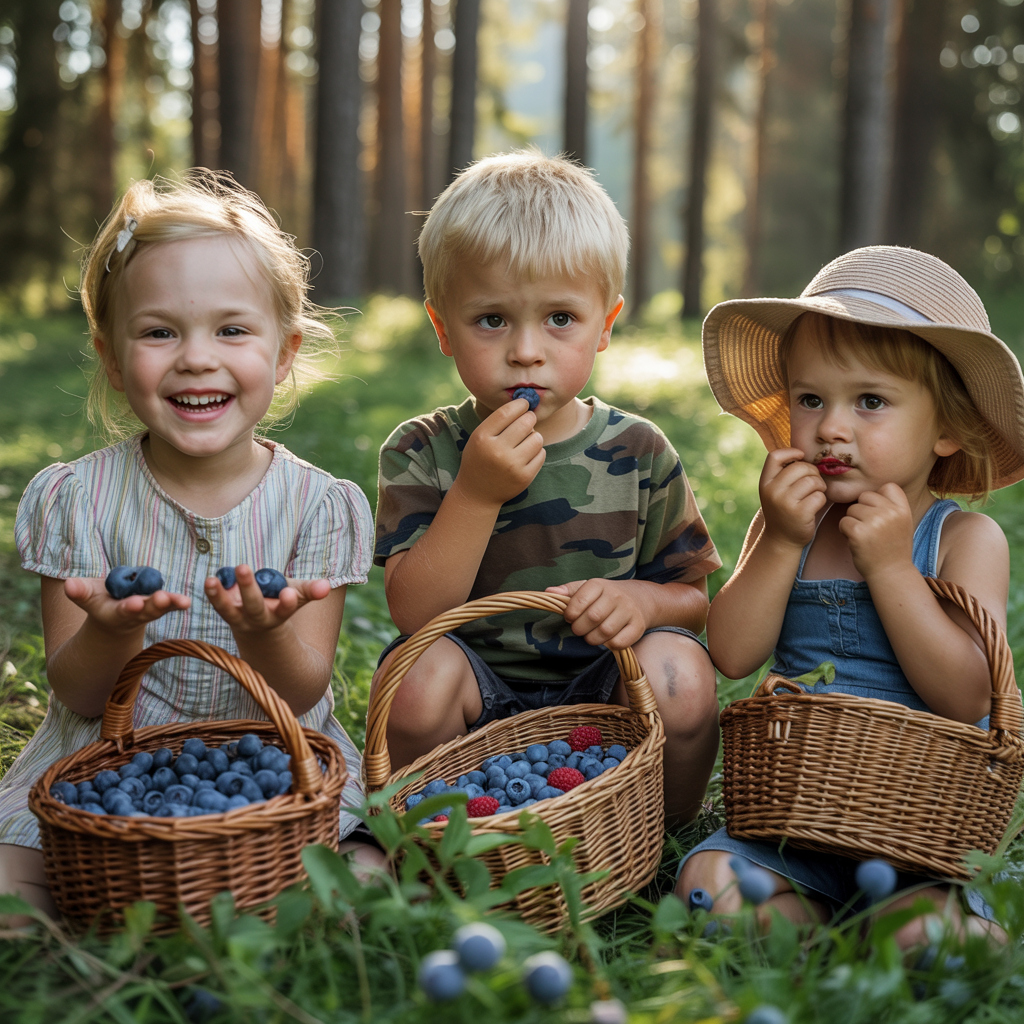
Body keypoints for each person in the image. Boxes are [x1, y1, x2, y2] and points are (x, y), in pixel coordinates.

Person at [0, 171, 381, 917]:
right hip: (100, 765)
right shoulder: (77, 498)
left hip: (273, 763)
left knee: (362, 879)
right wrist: (115, 627)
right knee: (11, 886)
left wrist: (261, 632)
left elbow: (300, 691)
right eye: (159, 331)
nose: (196, 358)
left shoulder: (318, 506)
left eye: (231, 329)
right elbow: (78, 691)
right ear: (112, 357)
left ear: (283, 352)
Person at [677, 245, 1024, 947]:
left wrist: (895, 570)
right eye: (811, 400)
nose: (831, 427)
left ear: (948, 429)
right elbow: (734, 653)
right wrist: (777, 542)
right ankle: (824, 924)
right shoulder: (792, 525)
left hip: (918, 833)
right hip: (790, 818)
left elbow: (967, 697)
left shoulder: (964, 540)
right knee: (705, 888)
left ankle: (894, 926)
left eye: (870, 401)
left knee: (933, 937)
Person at [372, 152, 723, 823]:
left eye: (560, 318)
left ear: (606, 324)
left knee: (681, 674)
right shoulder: (422, 450)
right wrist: (475, 492)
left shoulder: (639, 450)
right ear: (444, 329)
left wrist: (640, 601)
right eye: (492, 320)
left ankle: (662, 834)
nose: (526, 350)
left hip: (608, 690)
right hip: (476, 695)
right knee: (412, 684)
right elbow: (416, 617)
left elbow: (692, 600)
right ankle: (446, 837)